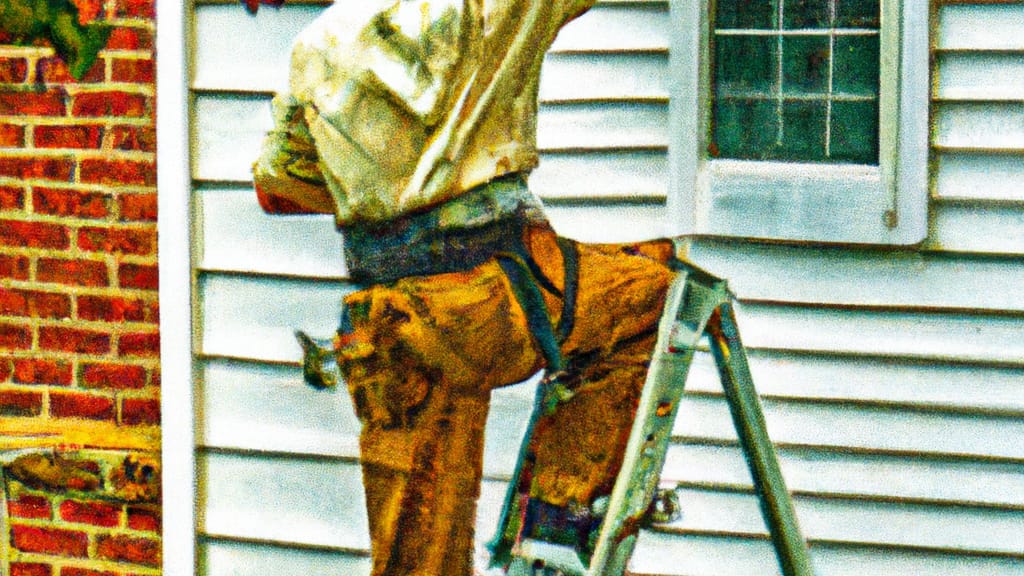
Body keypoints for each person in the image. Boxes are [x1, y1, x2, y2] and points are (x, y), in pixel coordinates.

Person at [253, 1, 678, 574]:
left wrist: (390, 188)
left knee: (418, 560)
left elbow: (276, 189)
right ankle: (559, 512)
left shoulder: (318, 44)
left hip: (388, 321)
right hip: (490, 298)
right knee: (648, 295)